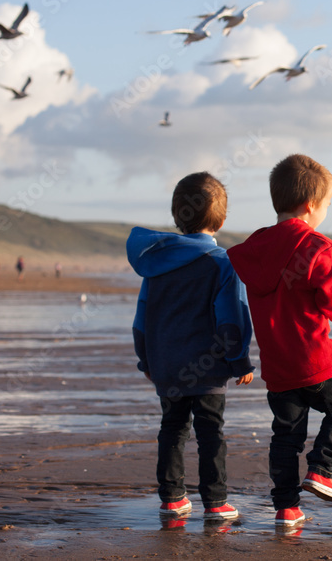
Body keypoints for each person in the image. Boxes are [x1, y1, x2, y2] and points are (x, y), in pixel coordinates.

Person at [228, 154, 332, 530]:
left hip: (278, 366)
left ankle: (286, 508)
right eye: (328, 205)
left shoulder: (255, 247)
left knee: (285, 435)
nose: (326, 212)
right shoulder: (318, 246)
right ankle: (322, 468)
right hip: (315, 360)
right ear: (310, 205)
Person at [126, 172, 255, 522]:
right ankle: (215, 502)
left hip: (167, 363)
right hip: (208, 366)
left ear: (176, 216)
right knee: (211, 431)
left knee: (172, 428)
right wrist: (239, 360)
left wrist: (146, 360)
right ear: (223, 219)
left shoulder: (156, 265)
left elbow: (142, 319)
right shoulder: (222, 263)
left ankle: (172, 498)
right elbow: (231, 316)